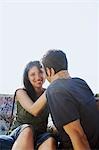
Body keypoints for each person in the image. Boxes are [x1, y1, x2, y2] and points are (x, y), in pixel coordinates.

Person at [39, 49, 99, 149]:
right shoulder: (81, 82)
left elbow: (78, 136)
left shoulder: (55, 90)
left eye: (44, 72)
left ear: (50, 71)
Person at [0, 61, 56, 150]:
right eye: (33, 74)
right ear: (27, 77)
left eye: (41, 72)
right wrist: (52, 87)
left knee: (50, 139)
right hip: (19, 134)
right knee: (28, 129)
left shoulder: (49, 94)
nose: (38, 77)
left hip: (39, 136)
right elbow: (34, 110)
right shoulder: (21, 92)